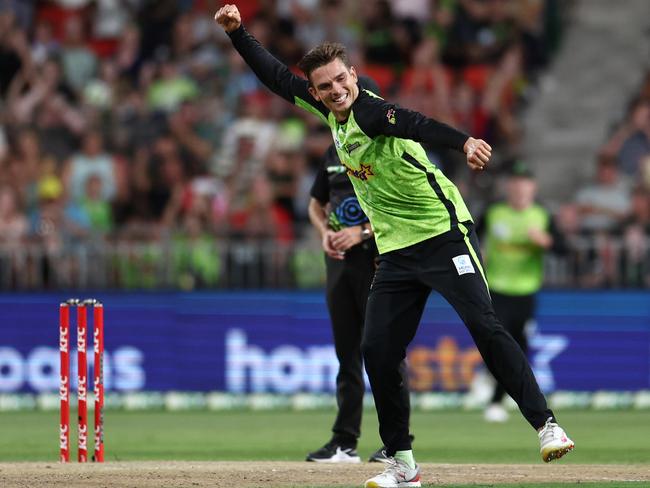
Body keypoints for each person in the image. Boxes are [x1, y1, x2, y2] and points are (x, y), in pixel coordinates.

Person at [215, 6, 574, 487]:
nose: (336, 91)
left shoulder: (368, 110)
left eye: (341, 80)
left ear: (354, 75)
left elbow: (416, 123)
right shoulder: (327, 110)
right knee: (378, 349)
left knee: (485, 326)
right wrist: (239, 34)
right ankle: (403, 465)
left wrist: (464, 141)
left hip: (443, 235)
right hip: (397, 251)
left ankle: (546, 425)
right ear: (318, 92)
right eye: (325, 87)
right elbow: (278, 77)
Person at [307, 142, 394, 464]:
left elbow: (401, 207)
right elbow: (316, 203)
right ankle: (345, 443)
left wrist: (363, 232)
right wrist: (324, 232)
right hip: (339, 263)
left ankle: (396, 444)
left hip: (377, 261)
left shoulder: (384, 147)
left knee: (386, 352)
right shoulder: (332, 151)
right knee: (347, 355)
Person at [476, 161, 566, 423]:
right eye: (514, 182)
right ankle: (494, 397)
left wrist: (546, 241)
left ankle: (497, 396)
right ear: (508, 186)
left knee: (518, 348)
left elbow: (563, 247)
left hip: (526, 291)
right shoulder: (494, 212)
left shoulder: (542, 215)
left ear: (532, 187)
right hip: (496, 287)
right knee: (498, 342)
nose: (519, 188)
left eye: (524, 182)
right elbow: (469, 235)